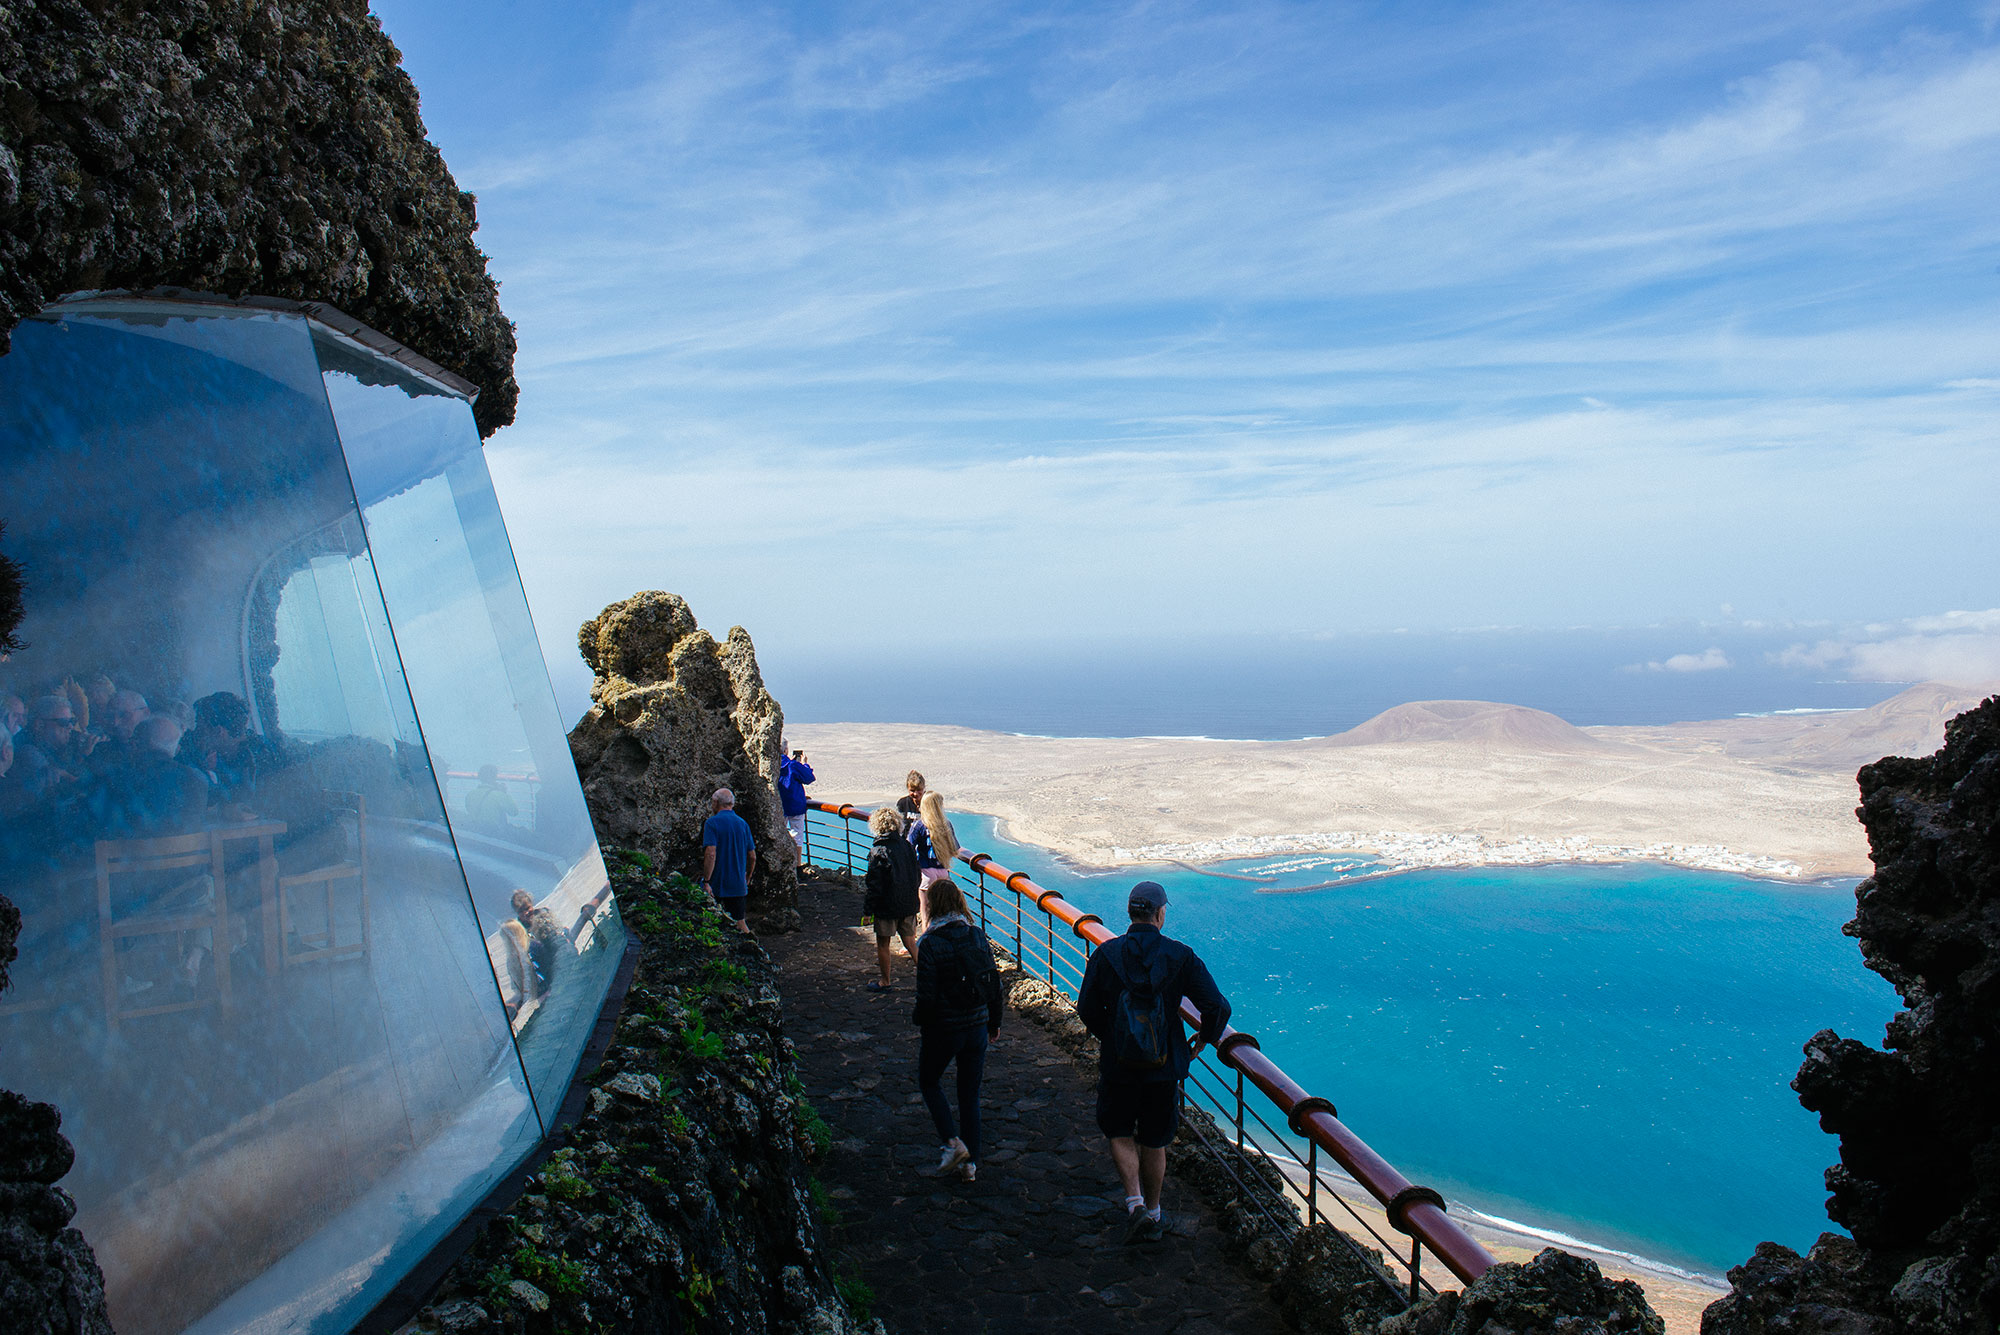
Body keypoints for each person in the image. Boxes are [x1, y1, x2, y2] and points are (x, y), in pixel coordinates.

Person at [1078, 880, 1231, 1244]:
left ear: (1130, 913)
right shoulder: (1181, 956)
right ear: (1161, 914)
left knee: (1117, 1129)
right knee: (1155, 1137)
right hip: (1163, 1066)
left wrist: (1114, 1038)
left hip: (1119, 1064)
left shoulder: (1106, 954)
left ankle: (1134, 1204)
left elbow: (1086, 1009)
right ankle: (1155, 1209)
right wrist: (1204, 1039)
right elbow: (1217, 1006)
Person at [912, 877, 1002, 1184]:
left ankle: (952, 1142)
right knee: (969, 1094)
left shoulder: (929, 943)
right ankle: (971, 1165)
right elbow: (993, 983)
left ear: (933, 906)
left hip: (944, 1028)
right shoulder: (977, 936)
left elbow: (926, 996)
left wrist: (921, 1023)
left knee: (929, 1081)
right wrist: (995, 1022)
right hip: (977, 1026)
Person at [862, 804, 920, 992]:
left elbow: (874, 885)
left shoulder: (878, 852)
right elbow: (916, 874)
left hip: (887, 907)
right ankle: (929, 977)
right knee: (910, 941)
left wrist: (868, 911)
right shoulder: (907, 846)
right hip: (908, 903)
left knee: (883, 943)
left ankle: (885, 981)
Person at [700, 786, 756, 933]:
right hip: (738, 883)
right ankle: (754, 950)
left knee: (709, 922)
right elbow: (752, 856)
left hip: (717, 883)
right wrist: (748, 876)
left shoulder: (712, 823)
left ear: (716, 803)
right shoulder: (743, 824)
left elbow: (711, 853)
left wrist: (706, 881)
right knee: (740, 923)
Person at [507, 888, 570, 1003]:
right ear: (517, 913)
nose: (526, 913)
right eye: (521, 911)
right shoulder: (518, 931)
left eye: (527, 908)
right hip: (541, 972)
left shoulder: (543, 914)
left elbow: (557, 932)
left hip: (556, 959)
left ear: (532, 904)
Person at [909, 789, 960, 889]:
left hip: (926, 872)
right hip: (943, 872)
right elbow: (955, 848)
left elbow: (908, 846)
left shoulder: (919, 825)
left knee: (924, 904)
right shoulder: (946, 824)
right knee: (941, 903)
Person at [775, 745, 815, 849]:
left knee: (778, 834)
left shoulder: (773, 764)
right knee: (797, 835)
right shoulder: (793, 765)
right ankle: (797, 863)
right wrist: (805, 764)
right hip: (795, 804)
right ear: (785, 750)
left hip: (778, 805)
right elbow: (809, 777)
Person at [465, 763, 520, 832]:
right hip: (495, 833)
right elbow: (514, 812)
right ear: (494, 777)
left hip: (477, 830)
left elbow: (468, 809)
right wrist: (504, 793)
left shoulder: (470, 794)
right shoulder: (499, 795)